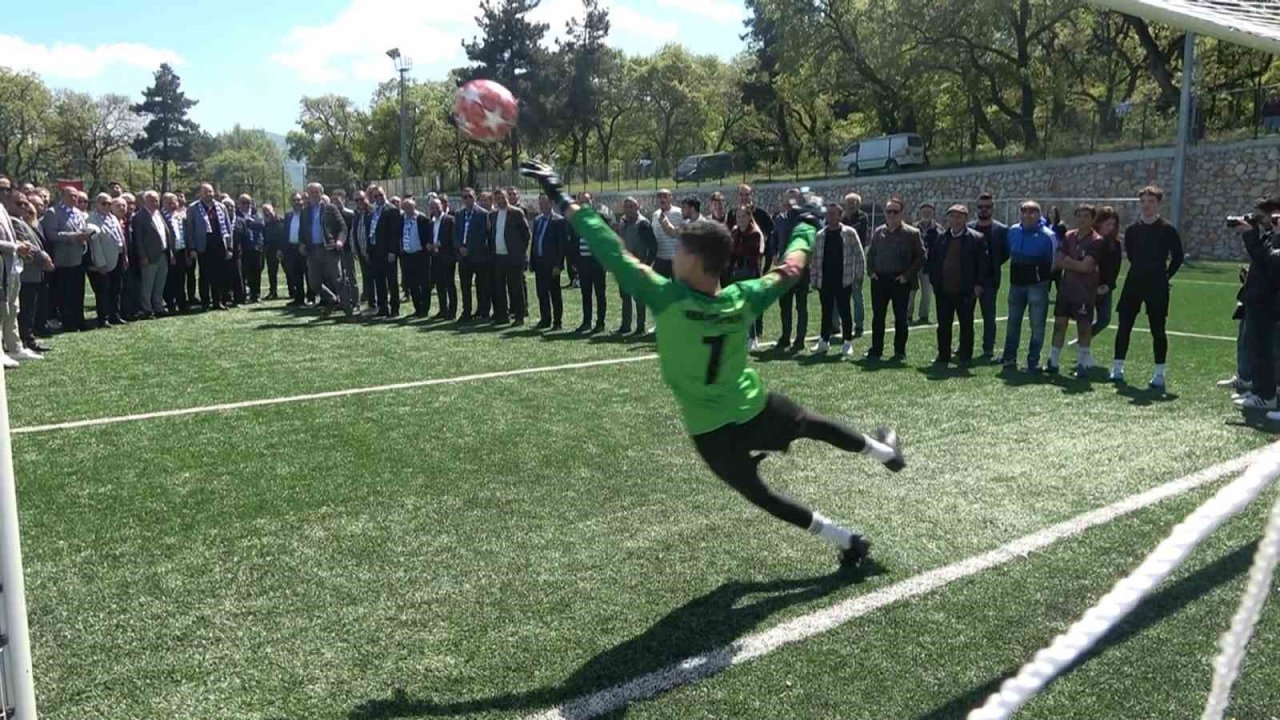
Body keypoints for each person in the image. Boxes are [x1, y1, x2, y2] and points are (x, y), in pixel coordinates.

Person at [521, 159, 904, 570]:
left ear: (694, 260)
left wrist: (561, 196)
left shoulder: (666, 297)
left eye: (681, 247)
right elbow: (791, 268)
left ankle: (847, 540)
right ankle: (885, 454)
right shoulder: (742, 297)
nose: (675, 252)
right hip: (753, 406)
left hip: (710, 431)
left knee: (762, 495)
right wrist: (807, 223)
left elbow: (609, 249)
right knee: (813, 424)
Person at [1109, 186, 1184, 390]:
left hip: (1157, 284)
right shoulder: (1133, 229)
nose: (1146, 205)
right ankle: (1117, 367)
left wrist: (1166, 275)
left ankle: (1159, 373)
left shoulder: (1168, 229)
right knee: (1124, 326)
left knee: (1157, 329)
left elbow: (1178, 256)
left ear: (1158, 204)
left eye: (1151, 201)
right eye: (1143, 201)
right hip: (1134, 282)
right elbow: (1132, 254)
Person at [1231, 197, 1280, 411]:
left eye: (1263, 216)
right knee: (1256, 347)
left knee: (1265, 349)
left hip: (1269, 303)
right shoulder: (1272, 235)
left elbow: (1270, 262)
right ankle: (1261, 389)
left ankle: (1266, 394)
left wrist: (1250, 236)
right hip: (1259, 300)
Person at [999, 201, 1058, 372]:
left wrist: (1041, 277)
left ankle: (1033, 361)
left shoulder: (1049, 235)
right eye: (1024, 211)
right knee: (1012, 323)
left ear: (1039, 214)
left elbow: (1055, 261)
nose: (1028, 214)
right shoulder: (1013, 231)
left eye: (1033, 211)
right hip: (1016, 285)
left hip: (1037, 287)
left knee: (1037, 325)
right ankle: (1009, 358)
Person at [864, 197, 924, 361]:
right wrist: (871, 272)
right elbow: (870, 254)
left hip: (900, 281)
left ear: (901, 213)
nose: (891, 214)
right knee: (878, 318)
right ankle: (876, 349)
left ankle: (899, 351)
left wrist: (906, 276)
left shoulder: (912, 233)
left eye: (895, 211)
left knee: (900, 318)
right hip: (879, 280)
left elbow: (920, 257)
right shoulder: (878, 232)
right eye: (888, 211)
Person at [1048, 204, 1104, 377]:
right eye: (1079, 215)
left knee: (1084, 328)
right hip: (1066, 289)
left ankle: (1082, 363)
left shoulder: (1096, 240)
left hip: (1085, 292)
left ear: (1092, 219)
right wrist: (1074, 263)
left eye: (1086, 216)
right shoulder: (1068, 236)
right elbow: (1058, 259)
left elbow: (1086, 267)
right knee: (1059, 325)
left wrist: (1069, 262)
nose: (1082, 219)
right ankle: (1053, 361)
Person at [928, 205, 987, 366]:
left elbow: (982, 265)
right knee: (943, 326)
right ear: (948, 218)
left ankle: (965, 357)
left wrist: (978, 285)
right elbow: (933, 262)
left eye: (959, 216)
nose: (955, 220)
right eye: (952, 216)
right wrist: (935, 283)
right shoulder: (941, 238)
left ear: (965, 219)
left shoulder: (976, 238)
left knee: (966, 326)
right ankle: (944, 355)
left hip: (966, 291)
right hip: (944, 291)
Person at [809, 203, 863, 357]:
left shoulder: (849, 233)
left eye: (834, 214)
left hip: (844, 280)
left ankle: (847, 342)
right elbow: (815, 260)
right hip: (824, 280)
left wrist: (858, 277)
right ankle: (824, 341)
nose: (831, 217)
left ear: (840, 215)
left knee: (845, 311)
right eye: (829, 214)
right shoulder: (820, 235)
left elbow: (859, 256)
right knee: (825, 312)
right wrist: (814, 279)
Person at [42, 184, 92, 332]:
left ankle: (79, 320)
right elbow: (52, 235)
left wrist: (86, 234)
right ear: (62, 196)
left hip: (79, 257)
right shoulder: (53, 213)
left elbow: (81, 229)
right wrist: (76, 236)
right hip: (63, 259)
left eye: (76, 196)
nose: (74, 198)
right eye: (71, 195)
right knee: (66, 293)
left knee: (78, 292)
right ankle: (68, 322)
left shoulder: (78, 212)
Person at [969, 193, 1008, 362]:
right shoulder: (969, 227)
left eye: (987, 207)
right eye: (980, 207)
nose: (984, 210)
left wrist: (993, 266)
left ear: (993, 208)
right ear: (976, 208)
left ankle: (988, 348)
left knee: (989, 316)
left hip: (990, 281)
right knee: (965, 315)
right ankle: (965, 345)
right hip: (969, 280)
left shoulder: (1001, 229)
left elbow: (1005, 253)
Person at [186, 184, 234, 312]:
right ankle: (205, 303)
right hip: (203, 246)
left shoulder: (220, 206)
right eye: (206, 192)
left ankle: (217, 301)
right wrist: (192, 248)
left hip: (219, 244)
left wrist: (230, 247)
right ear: (200, 194)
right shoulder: (193, 208)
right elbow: (190, 230)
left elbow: (228, 228)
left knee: (219, 275)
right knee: (204, 275)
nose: (209, 194)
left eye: (211, 191)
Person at [488, 188, 530, 326]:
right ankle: (502, 315)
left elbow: (526, 234)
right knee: (499, 287)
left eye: (502, 197)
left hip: (513, 257)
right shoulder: (493, 215)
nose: (500, 201)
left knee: (515, 288)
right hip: (498, 257)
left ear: (507, 197)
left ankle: (519, 316)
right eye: (497, 198)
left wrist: (519, 252)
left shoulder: (516, 213)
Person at [774, 189, 808, 351]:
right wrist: (774, 254)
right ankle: (785, 336)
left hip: (801, 268)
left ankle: (800, 339)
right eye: (789, 197)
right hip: (784, 268)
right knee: (785, 305)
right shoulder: (779, 219)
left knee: (801, 306)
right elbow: (774, 239)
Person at [730, 205, 768, 351]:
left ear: (749, 217)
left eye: (743, 216)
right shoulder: (735, 231)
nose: (740, 219)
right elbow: (732, 251)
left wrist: (736, 249)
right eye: (738, 216)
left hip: (751, 274)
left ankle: (753, 338)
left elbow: (750, 253)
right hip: (737, 273)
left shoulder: (755, 233)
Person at [617, 197, 656, 335]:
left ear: (638, 207)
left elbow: (653, 247)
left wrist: (646, 266)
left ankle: (640, 328)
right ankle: (625, 326)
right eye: (626, 206)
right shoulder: (623, 222)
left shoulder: (643, 224)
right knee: (625, 296)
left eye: (631, 206)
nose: (628, 209)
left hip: (638, 267)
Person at [132, 190, 171, 318]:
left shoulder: (159, 214)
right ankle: (147, 309)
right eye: (152, 200)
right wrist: (142, 256)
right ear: (145, 201)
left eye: (157, 200)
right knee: (147, 285)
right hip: (149, 256)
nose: (155, 203)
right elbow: (138, 239)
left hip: (163, 254)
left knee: (160, 283)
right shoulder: (139, 217)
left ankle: (158, 307)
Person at [454, 187, 491, 321]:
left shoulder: (483, 214)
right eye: (464, 197)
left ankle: (484, 311)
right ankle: (466, 312)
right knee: (465, 286)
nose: (467, 199)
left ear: (475, 197)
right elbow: (455, 234)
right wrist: (460, 247)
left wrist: (469, 247)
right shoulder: (458, 214)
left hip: (478, 255)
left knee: (482, 285)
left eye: (470, 196)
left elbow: (482, 235)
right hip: (463, 256)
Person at [531, 194, 567, 330]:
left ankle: (557, 322)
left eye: (546, 203)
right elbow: (534, 241)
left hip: (552, 265)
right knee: (541, 293)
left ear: (551, 204)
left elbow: (562, 245)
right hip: (539, 262)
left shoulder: (559, 221)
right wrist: (532, 261)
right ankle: (545, 319)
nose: (543, 206)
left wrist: (559, 264)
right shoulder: (537, 220)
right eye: (541, 204)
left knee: (555, 294)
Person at [1091, 206, 1123, 337]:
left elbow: (1115, 268)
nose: (1111, 227)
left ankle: (1080, 342)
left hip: (1105, 288)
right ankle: (1083, 348)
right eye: (1108, 224)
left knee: (1104, 320)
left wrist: (1108, 285)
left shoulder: (1115, 244)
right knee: (1083, 319)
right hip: (1089, 286)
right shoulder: (1091, 240)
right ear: (1099, 222)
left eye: (1113, 224)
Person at [843, 193, 871, 338]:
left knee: (857, 294)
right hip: (842, 260)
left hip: (856, 260)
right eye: (849, 202)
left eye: (854, 202)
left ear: (858, 204)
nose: (851, 205)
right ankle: (837, 325)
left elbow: (854, 231)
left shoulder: (863, 217)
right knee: (840, 295)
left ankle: (859, 324)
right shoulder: (843, 218)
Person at [162, 193, 194, 313]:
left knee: (181, 279)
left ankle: (182, 304)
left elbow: (187, 235)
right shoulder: (161, 216)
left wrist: (189, 251)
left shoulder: (182, 216)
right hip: (169, 252)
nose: (172, 205)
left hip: (182, 251)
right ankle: (170, 304)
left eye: (174, 202)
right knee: (170, 280)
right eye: (169, 202)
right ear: (164, 203)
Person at [426, 198, 456, 320]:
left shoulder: (450, 220)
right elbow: (430, 238)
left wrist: (441, 243)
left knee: (450, 284)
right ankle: (443, 310)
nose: (435, 209)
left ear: (442, 206)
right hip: (435, 257)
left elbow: (453, 238)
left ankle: (452, 311)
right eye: (432, 207)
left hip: (447, 257)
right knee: (439, 285)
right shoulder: (431, 223)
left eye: (437, 206)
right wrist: (429, 244)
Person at [908, 202, 937, 325]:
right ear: (921, 213)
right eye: (924, 211)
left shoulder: (937, 229)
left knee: (926, 292)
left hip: (928, 266)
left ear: (932, 213)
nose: (926, 214)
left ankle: (923, 315)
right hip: (914, 265)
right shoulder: (913, 228)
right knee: (911, 291)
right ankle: (908, 314)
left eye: (929, 212)